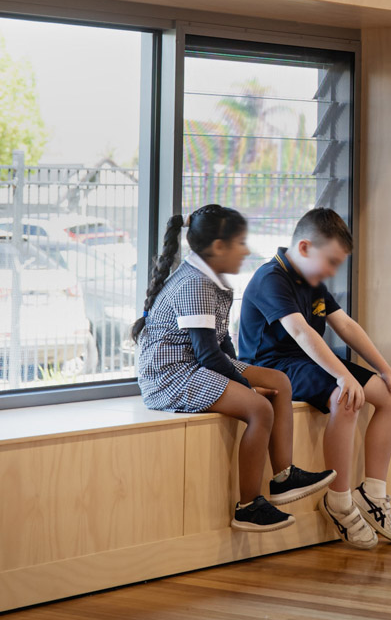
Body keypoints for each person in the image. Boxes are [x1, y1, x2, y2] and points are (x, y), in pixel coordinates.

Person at [133, 203, 335, 533]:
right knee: (259, 409)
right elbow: (207, 354)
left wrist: (246, 374)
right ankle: (249, 505)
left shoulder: (211, 280)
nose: (245, 250)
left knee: (280, 381)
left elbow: (222, 341)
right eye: (240, 243)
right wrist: (244, 385)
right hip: (171, 376)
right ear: (218, 247)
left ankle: (284, 476)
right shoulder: (194, 284)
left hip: (196, 363)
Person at [238, 208, 391, 550]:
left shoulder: (311, 280)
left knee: (390, 395)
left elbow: (344, 325)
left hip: (308, 360)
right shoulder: (271, 277)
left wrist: (385, 368)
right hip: (274, 366)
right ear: (304, 247)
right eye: (330, 262)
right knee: (346, 396)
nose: (332, 271)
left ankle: (372, 493)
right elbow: (301, 332)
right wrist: (344, 377)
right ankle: (340, 500)